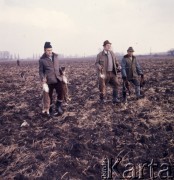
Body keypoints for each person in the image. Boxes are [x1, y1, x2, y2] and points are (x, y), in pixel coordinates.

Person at [39, 42, 64, 115]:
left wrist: (62, 72)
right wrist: (43, 78)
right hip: (49, 81)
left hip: (58, 79)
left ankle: (58, 106)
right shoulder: (42, 60)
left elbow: (58, 66)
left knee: (61, 92)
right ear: (44, 50)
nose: (50, 52)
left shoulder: (56, 57)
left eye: (50, 50)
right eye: (48, 50)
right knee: (49, 96)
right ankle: (49, 109)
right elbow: (41, 71)